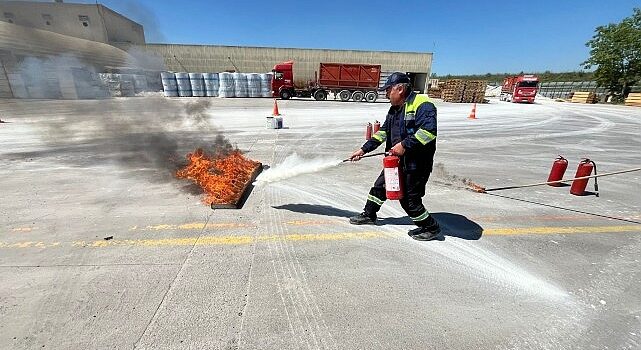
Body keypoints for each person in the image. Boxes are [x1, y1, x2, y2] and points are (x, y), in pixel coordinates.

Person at [348, 72, 440, 241]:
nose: (385, 93)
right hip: (395, 161)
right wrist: (363, 149)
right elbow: (383, 132)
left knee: (410, 201)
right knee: (379, 187)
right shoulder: (394, 109)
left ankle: (431, 227)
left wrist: (404, 145)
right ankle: (369, 215)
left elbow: (429, 132)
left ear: (400, 89)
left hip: (416, 163)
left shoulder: (423, 105)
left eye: (388, 90)